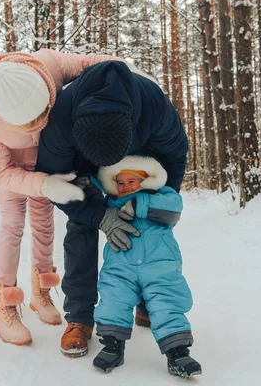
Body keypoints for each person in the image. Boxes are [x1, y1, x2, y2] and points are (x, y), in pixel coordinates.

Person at [0, 49, 120, 346]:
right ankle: (4, 306)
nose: (37, 125)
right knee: (13, 225)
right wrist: (44, 184)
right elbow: (0, 174)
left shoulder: (48, 65)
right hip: (10, 170)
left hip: (44, 161)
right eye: (27, 123)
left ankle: (42, 291)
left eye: (42, 114)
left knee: (44, 222)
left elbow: (91, 64)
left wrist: (127, 72)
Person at [35, 60, 189, 357]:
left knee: (150, 228)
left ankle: (148, 302)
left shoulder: (153, 105)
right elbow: (56, 181)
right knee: (81, 228)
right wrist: (101, 214)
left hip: (138, 165)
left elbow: (175, 156)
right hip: (83, 171)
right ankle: (80, 317)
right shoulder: (61, 119)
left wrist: (158, 205)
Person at [88, 155, 201, 377]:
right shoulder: (111, 203)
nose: (124, 186)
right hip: (120, 265)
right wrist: (88, 183)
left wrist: (140, 204)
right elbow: (92, 193)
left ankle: (178, 353)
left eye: (131, 181)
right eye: (120, 182)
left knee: (166, 302)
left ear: (146, 180)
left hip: (159, 265)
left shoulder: (162, 196)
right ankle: (112, 346)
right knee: (113, 299)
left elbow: (174, 208)